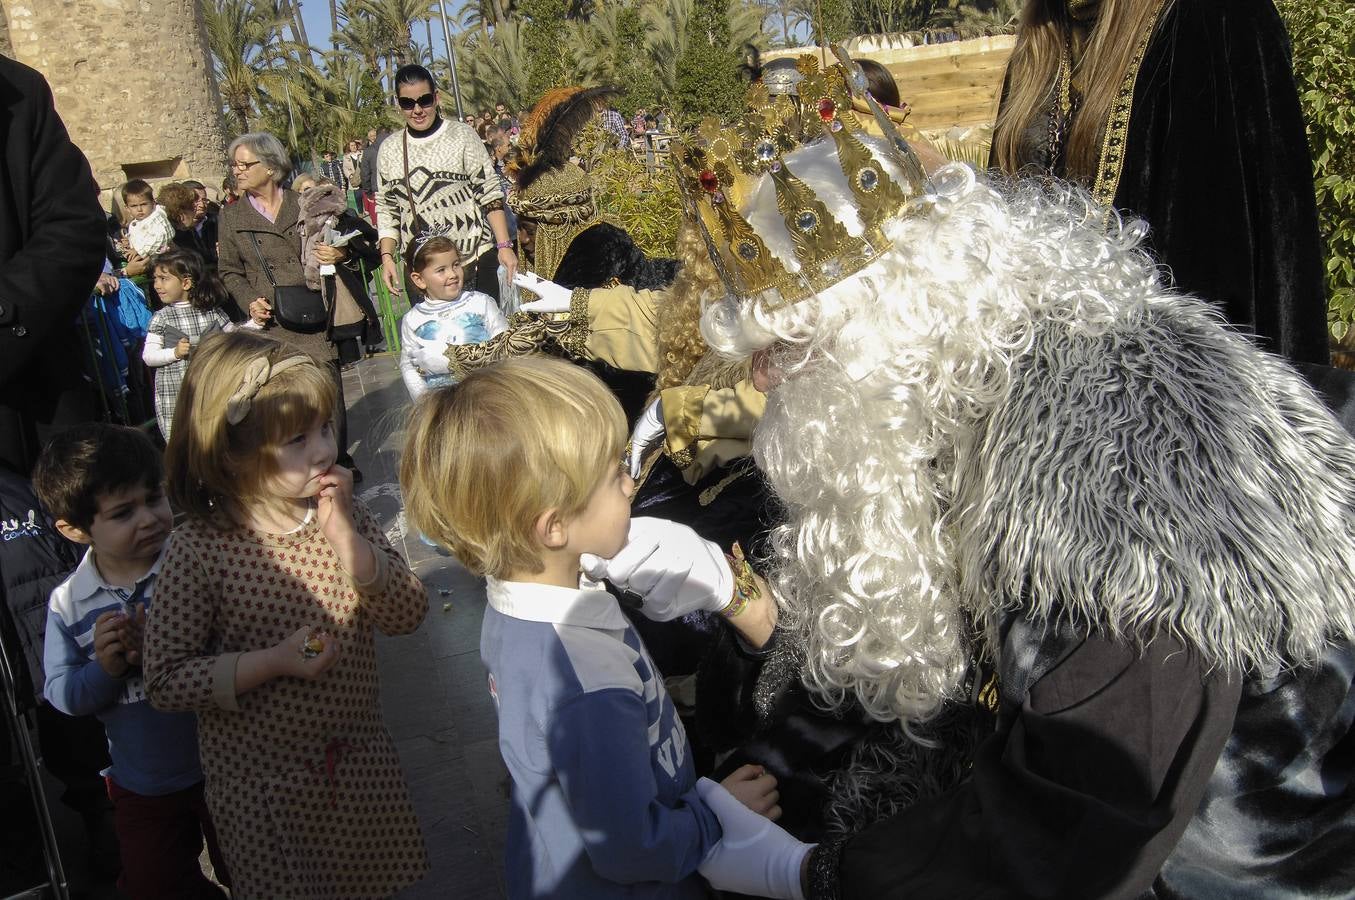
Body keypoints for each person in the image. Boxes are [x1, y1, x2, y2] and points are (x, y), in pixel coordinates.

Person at [586, 53, 1355, 897]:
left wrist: (810, 874)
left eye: (786, 352)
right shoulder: (986, 393)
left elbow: (1077, 823)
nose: (764, 385)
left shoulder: (1113, 465)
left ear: (888, 329)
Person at [400, 355, 809, 899]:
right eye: (614, 474)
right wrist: (715, 813)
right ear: (553, 526)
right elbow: (632, 848)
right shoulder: (588, 683)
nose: (631, 481)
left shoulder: (519, 605)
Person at [143, 331, 429, 898]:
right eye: (297, 439)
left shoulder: (336, 511)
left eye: (325, 427)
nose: (323, 451)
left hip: (357, 768)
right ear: (231, 453)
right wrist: (270, 662)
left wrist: (348, 539)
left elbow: (406, 613)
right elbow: (165, 679)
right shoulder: (201, 549)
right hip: (264, 794)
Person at [992, 0, 1328, 365]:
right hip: (1045, 382)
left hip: (1178, 387)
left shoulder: (1220, 19)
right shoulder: (1038, 44)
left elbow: (1282, 245)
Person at [35, 423, 230, 898]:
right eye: (123, 512)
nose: (148, 519)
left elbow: (238, 642)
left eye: (154, 497)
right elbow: (62, 693)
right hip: (142, 784)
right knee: (152, 883)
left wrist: (174, 646)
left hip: (227, 764)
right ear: (74, 529)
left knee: (254, 870)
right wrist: (107, 668)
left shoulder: (198, 563)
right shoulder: (69, 604)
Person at [215, 131, 364, 479]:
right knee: (285, 396)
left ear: (270, 167)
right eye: (234, 165)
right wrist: (249, 300)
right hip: (272, 322)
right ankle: (297, 464)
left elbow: (352, 244)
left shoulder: (307, 203)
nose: (237, 171)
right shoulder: (232, 218)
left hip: (314, 311)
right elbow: (229, 270)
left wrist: (338, 253)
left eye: (245, 164)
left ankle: (335, 459)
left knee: (327, 391)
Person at [376, 64, 517, 302]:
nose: (418, 110)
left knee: (486, 338)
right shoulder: (389, 149)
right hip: (423, 274)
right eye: (408, 104)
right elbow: (387, 208)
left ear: (436, 97)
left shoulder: (462, 135)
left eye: (425, 100)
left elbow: (490, 193)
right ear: (399, 105)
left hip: (474, 263)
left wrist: (504, 245)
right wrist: (387, 257)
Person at [142, 247, 237, 440]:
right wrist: (174, 353)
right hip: (176, 390)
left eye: (164, 279)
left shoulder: (211, 312)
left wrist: (255, 323)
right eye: (155, 279)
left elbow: (235, 337)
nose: (157, 285)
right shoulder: (162, 318)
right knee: (182, 438)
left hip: (210, 386)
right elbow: (148, 357)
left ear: (186, 283)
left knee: (214, 435)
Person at [289, 172, 383, 367]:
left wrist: (345, 255)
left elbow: (371, 249)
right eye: (305, 191)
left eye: (314, 189)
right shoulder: (296, 224)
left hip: (344, 288)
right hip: (308, 293)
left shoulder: (342, 218)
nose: (312, 194)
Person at [397, 235, 507, 400]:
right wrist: (423, 402)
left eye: (456, 265)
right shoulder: (413, 320)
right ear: (419, 280)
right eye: (441, 270)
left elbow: (504, 344)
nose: (452, 274)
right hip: (441, 403)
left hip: (485, 395)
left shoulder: (480, 303)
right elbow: (408, 365)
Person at [358, 128, 385, 223]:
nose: (373, 138)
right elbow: (365, 173)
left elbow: (365, 173)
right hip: (377, 187)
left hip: (378, 187)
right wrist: (368, 192)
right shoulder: (367, 150)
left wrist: (368, 191)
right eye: (371, 136)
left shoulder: (369, 151)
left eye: (374, 135)